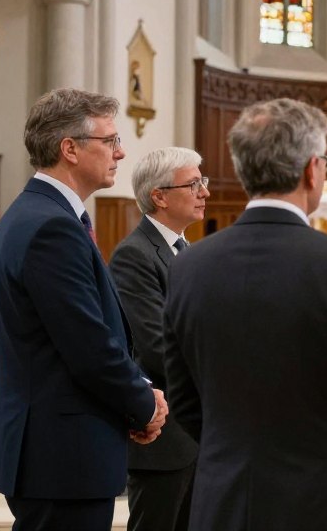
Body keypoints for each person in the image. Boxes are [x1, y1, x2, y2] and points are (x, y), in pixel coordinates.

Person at [163, 97, 327, 530]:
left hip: (224, 500)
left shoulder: (188, 267)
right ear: (312, 170)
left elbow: (183, 397)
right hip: (326, 502)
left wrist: (233, 455)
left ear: (242, 170)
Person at [0, 88, 166, 531]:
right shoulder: (51, 228)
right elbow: (87, 347)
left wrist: (136, 396)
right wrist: (144, 403)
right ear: (70, 149)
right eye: (109, 141)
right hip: (62, 454)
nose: (120, 152)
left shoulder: (33, 215)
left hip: (52, 450)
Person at [110, 148, 210, 531]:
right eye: (194, 183)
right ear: (160, 196)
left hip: (197, 433)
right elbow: (156, 348)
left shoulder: (186, 250)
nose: (204, 192)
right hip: (165, 439)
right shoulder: (135, 256)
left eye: (203, 182)